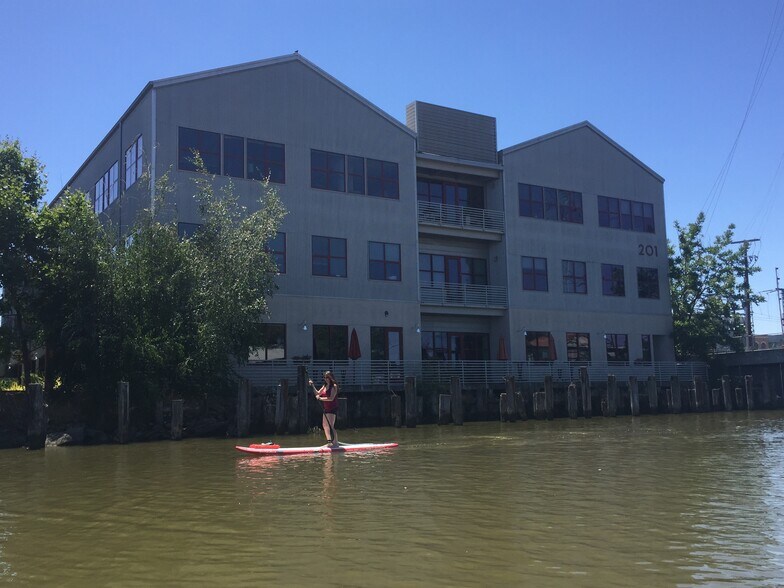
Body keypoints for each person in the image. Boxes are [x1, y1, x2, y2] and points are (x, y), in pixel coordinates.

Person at [309, 371, 340, 448]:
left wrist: (321, 398)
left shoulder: (334, 386)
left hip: (332, 408)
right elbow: (317, 393)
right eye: (325, 377)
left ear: (331, 378)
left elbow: (331, 398)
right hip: (326, 408)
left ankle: (335, 443)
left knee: (331, 426)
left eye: (328, 377)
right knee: (325, 425)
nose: (326, 379)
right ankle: (329, 442)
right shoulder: (324, 386)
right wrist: (312, 385)